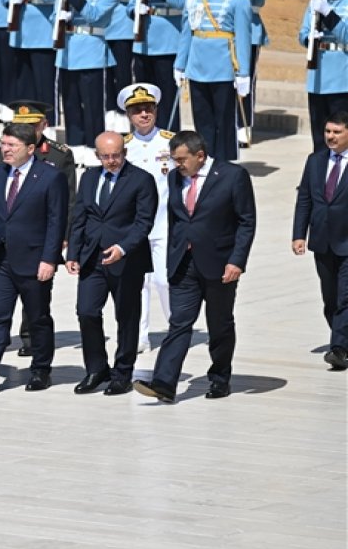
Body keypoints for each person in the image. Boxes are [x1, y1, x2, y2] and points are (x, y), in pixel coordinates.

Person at [135, 131, 256, 402]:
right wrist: (171, 256)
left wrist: (237, 260)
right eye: (175, 159)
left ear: (200, 156)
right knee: (178, 323)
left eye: (181, 159)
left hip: (219, 264)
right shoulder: (175, 176)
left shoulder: (233, 176)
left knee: (219, 324)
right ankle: (164, 382)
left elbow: (246, 221)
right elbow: (177, 220)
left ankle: (220, 377)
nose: (177, 165)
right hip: (184, 264)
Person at [0, 122, 68, 393]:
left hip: (34, 260)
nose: (5, 150)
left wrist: (50, 259)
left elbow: (57, 221)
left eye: (12, 145)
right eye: (3, 144)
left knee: (37, 317)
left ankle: (41, 369)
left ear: (30, 149)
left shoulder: (49, 177)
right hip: (0, 260)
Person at [0, 100, 75, 356]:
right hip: (3, 243)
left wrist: (63, 239)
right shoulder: (1, 152)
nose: (27, 130)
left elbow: (68, 201)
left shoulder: (58, 154)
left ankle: (32, 341)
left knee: (36, 305)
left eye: (32, 125)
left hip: (38, 240)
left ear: (43, 125)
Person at [65, 132, 157, 396]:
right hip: (92, 257)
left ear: (124, 153)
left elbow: (143, 223)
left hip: (126, 260)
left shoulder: (141, 180)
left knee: (127, 317)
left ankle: (123, 372)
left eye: (116, 155)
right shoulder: (90, 177)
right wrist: (73, 253)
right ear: (97, 156)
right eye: (105, 156)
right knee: (86, 312)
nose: (111, 161)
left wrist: (122, 248)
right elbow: (79, 216)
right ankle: (96, 368)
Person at [173, 0, 252, 162]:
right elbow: (186, 32)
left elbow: (243, 38)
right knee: (202, 120)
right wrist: (180, 64)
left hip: (223, 67)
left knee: (224, 120)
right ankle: (205, 160)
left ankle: (224, 163)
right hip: (197, 66)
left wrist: (243, 72)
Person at [119, 83, 174, 353]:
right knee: (136, 284)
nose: (144, 114)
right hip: (133, 228)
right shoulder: (122, 146)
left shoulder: (170, 141)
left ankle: (177, 327)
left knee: (164, 280)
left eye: (148, 109)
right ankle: (139, 336)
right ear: (128, 115)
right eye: (137, 110)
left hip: (164, 224)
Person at [292, 113, 348, 371]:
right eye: (328, 131)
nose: (331, 137)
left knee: (345, 298)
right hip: (322, 241)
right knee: (330, 298)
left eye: (337, 132)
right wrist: (298, 234)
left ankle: (338, 348)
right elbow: (304, 198)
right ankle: (343, 341)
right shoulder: (315, 161)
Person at [55, 0, 119, 162]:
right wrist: (64, 15)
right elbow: (55, 16)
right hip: (68, 52)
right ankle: (74, 144)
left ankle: (94, 146)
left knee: (93, 105)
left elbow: (95, 16)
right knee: (71, 103)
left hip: (92, 51)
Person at [131, 0, 197, 132]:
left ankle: (169, 139)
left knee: (166, 101)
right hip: (144, 44)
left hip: (169, 44)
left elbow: (182, 2)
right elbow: (129, 7)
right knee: (142, 100)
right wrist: (136, 11)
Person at [223, 0, 273, 148]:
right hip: (222, 28)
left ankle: (244, 125)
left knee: (245, 78)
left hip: (249, 28)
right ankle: (225, 122)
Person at [299, 0, 348, 154]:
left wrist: (329, 15)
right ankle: (318, 180)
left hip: (341, 77)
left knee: (342, 135)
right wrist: (311, 37)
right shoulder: (317, 1)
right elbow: (301, 34)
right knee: (320, 137)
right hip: (317, 77)